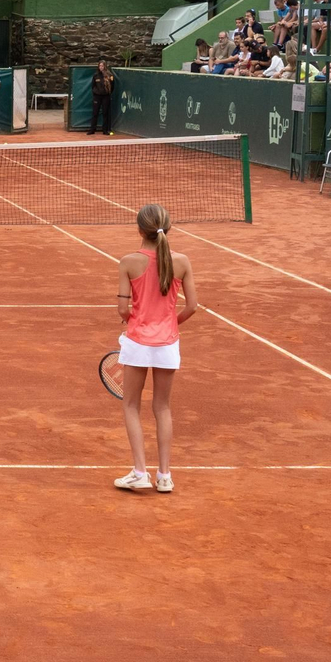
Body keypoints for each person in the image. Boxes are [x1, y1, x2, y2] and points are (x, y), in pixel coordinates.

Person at [113, 204, 199, 494]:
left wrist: (136, 322)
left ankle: (139, 472)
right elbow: (192, 307)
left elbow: (123, 310)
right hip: (167, 346)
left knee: (131, 406)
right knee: (162, 408)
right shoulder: (183, 261)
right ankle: (164, 476)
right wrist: (168, 325)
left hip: (138, 342)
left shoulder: (128, 262)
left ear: (139, 230)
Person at [88, 60, 115, 134]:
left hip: (106, 97)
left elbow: (112, 86)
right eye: (100, 66)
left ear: (105, 66)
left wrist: (107, 93)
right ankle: (92, 130)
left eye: (102, 66)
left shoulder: (110, 75)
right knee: (95, 113)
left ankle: (105, 130)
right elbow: (93, 86)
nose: (101, 67)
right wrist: (96, 93)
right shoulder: (95, 75)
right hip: (97, 97)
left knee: (105, 113)